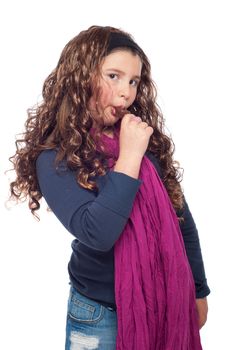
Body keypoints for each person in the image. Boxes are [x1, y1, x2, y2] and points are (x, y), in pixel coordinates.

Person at [9, 25, 210, 349]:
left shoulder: (143, 139)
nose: (126, 92)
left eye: (133, 81)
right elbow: (98, 233)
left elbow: (181, 219)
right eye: (114, 76)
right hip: (98, 315)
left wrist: (198, 289)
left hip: (165, 304)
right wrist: (130, 157)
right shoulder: (55, 157)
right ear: (80, 77)